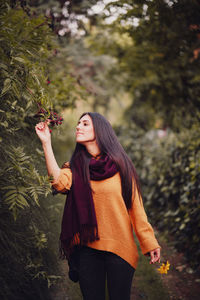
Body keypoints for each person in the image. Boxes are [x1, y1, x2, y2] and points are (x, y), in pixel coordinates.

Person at [35, 112, 161, 300]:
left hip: (120, 249)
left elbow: (136, 208)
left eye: (85, 124)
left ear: (100, 130)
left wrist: (149, 242)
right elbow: (59, 183)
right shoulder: (75, 168)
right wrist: (46, 143)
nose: (78, 127)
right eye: (78, 124)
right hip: (88, 250)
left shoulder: (122, 166)